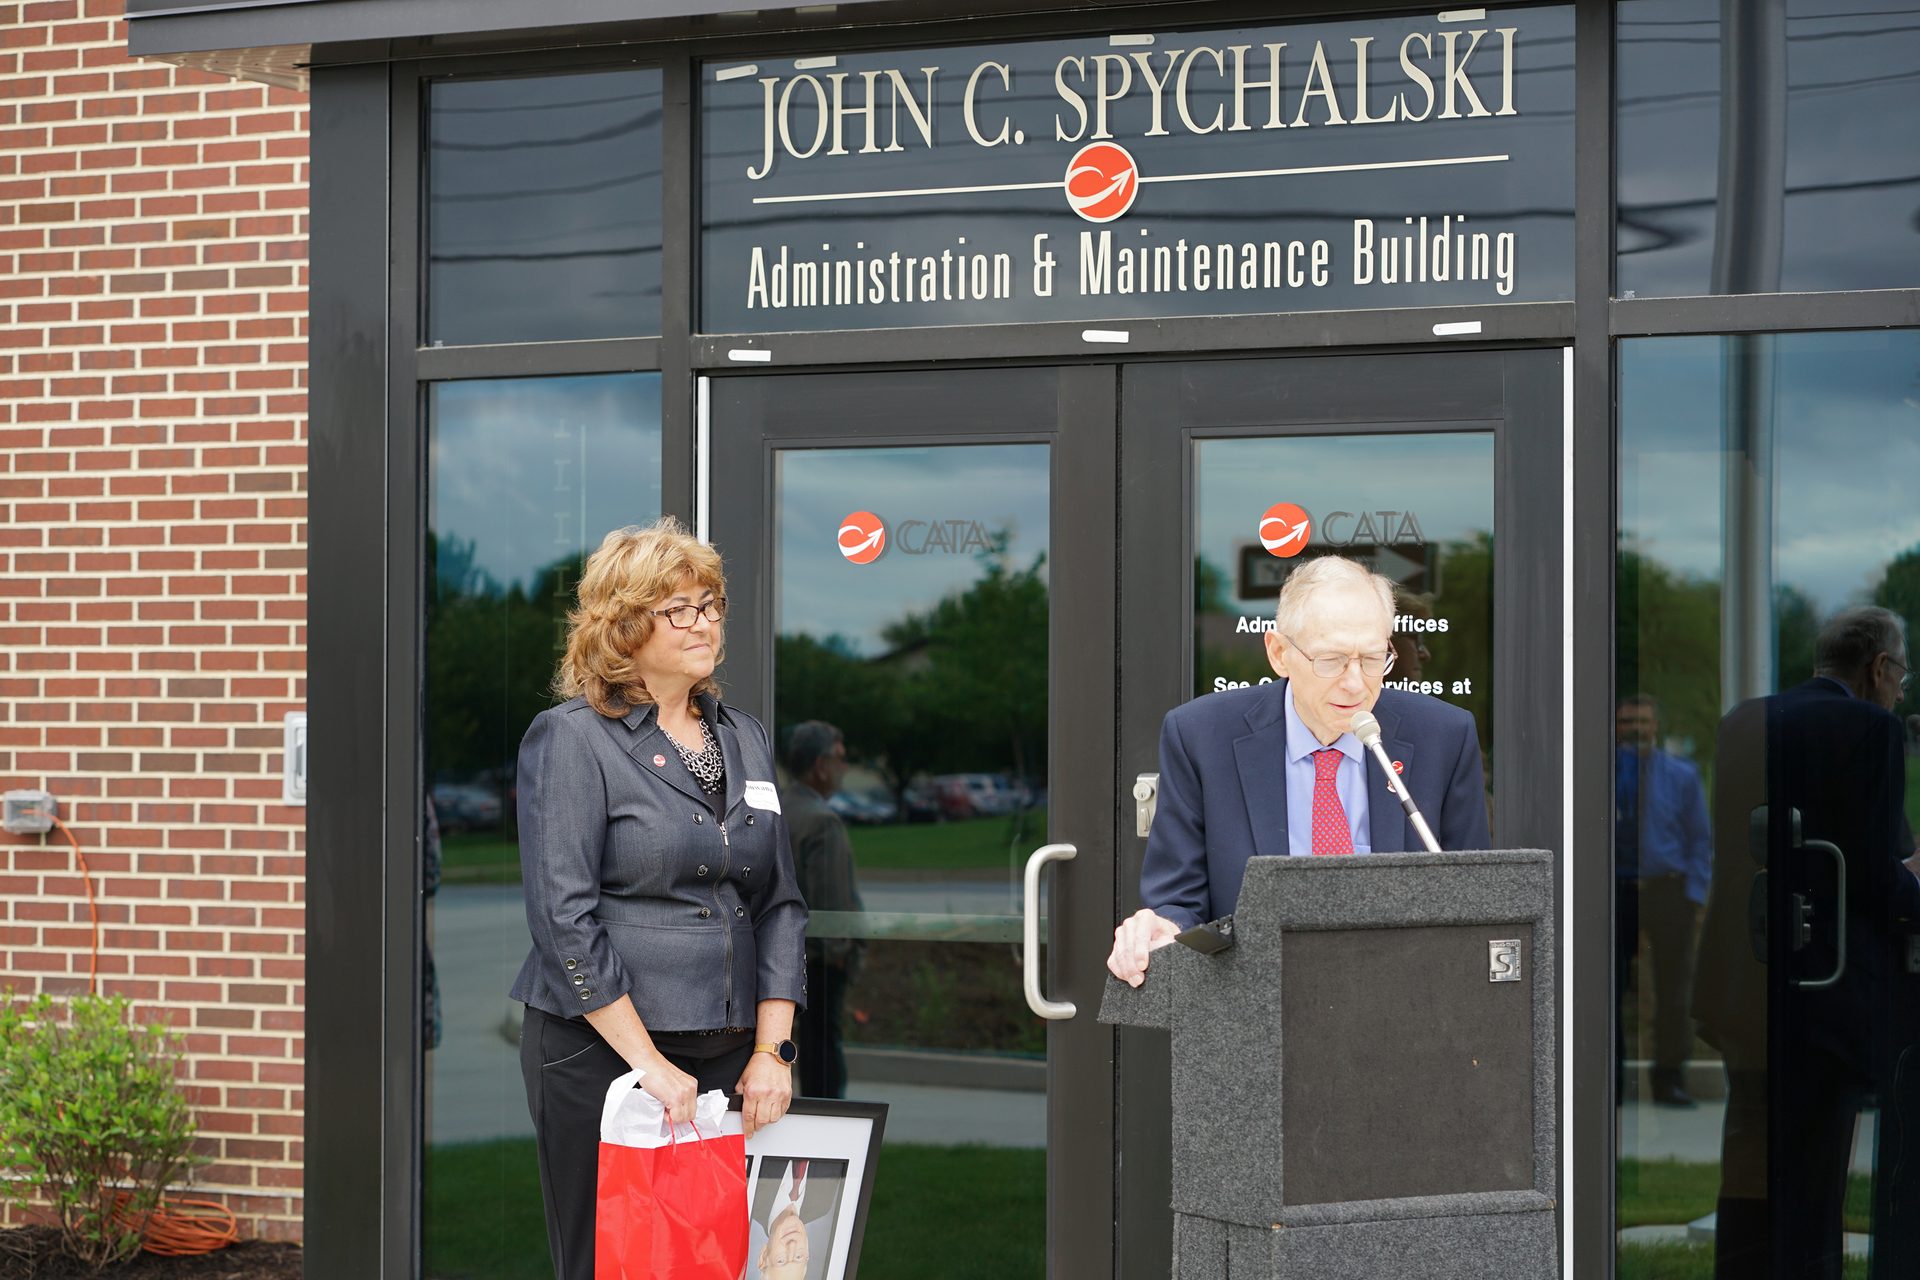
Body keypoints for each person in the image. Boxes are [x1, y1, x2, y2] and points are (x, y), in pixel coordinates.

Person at [510, 518, 809, 1280]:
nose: (703, 621)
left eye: (709, 603)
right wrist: (648, 1063)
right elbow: (562, 919)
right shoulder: (573, 738)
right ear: (624, 627)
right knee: (615, 1264)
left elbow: (778, 903)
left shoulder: (744, 737)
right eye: (679, 608)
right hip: (605, 1055)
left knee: (717, 1262)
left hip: (730, 1057)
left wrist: (773, 1051)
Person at [1109, 554, 1491, 984]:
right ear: (1278, 653)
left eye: (1371, 659)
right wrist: (1167, 927)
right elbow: (1178, 898)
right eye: (1330, 660)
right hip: (1257, 1000)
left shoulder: (1444, 734)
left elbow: (1469, 893)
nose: (1354, 683)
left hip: (1402, 996)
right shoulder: (1200, 735)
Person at [1695, 605, 1920, 1280]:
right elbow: (1874, 873)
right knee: (1814, 1180)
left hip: (1744, 983)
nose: (1901, 688)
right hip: (1827, 988)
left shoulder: (1745, 720)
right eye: (1901, 672)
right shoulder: (1872, 727)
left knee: (1750, 1164)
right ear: (1878, 667)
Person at [1614, 693, 1711, 1108]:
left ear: (1657, 726)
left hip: (1669, 891)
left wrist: (1693, 895)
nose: (1636, 728)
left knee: (1674, 994)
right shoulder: (1599, 769)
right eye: (1627, 722)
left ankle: (1670, 1081)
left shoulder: (1683, 775)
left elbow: (1700, 839)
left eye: (1643, 721)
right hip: (1614, 893)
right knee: (1607, 991)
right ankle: (1610, 1085)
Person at [780, 720, 866, 1099]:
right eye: (840, 758)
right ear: (820, 765)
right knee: (822, 1051)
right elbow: (832, 903)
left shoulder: (778, 807)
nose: (845, 767)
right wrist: (842, 953)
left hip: (782, 955)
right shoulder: (821, 821)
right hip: (818, 962)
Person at [749, 1156, 847, 1280]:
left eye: (781, 1260)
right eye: (799, 1257)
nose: (792, 1245)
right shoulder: (823, 1204)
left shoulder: (748, 1194)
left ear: (763, 1256)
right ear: (807, 1249)